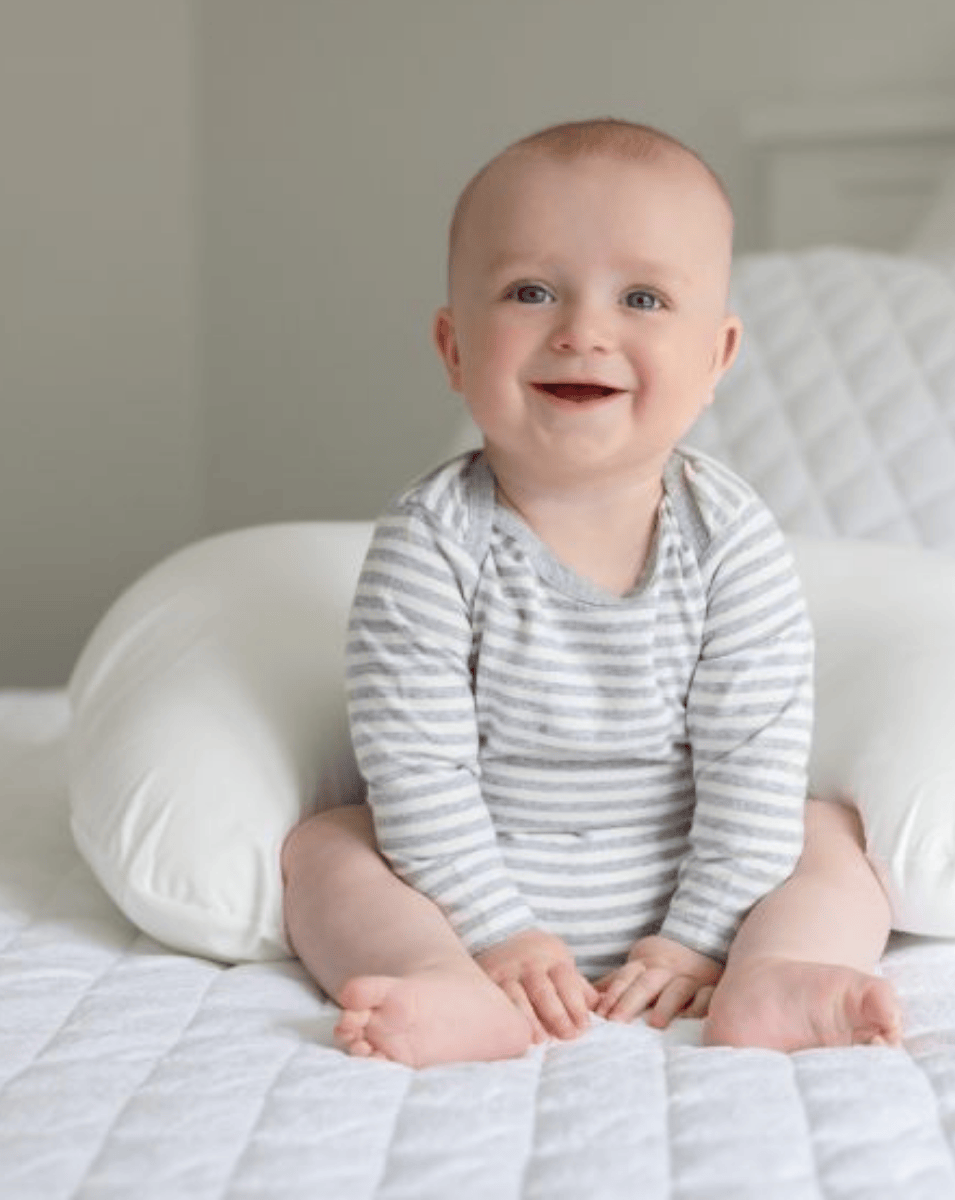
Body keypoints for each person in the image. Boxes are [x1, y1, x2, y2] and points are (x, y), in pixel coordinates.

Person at [281, 117, 901, 1068]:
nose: (583, 331)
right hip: (469, 883)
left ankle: (773, 973)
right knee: (325, 851)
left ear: (717, 358)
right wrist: (493, 933)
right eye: (530, 291)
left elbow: (753, 763)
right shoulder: (430, 540)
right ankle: (444, 984)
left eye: (644, 297)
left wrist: (701, 934)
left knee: (829, 835)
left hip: (699, 878)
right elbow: (415, 771)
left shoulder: (730, 539)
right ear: (453, 348)